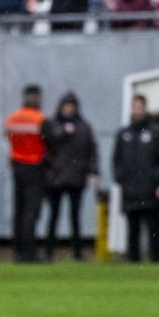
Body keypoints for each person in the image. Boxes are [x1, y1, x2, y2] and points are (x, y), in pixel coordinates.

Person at [41, 92, 99, 261]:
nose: (68, 109)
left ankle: (77, 253)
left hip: (76, 178)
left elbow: (91, 150)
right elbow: (47, 143)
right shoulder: (52, 124)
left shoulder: (84, 127)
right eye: (66, 106)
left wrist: (93, 171)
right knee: (54, 216)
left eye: (71, 106)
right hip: (56, 179)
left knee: (75, 217)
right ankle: (49, 252)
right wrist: (63, 133)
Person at [112, 93, 159, 262]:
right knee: (132, 230)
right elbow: (116, 160)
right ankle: (134, 261)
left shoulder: (155, 132)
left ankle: (155, 260)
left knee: (153, 229)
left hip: (150, 190)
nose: (137, 110)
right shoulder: (123, 134)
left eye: (140, 106)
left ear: (145, 108)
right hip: (130, 190)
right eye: (134, 106)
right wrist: (120, 178)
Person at [6, 85, 48, 262]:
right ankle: (29, 252)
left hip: (17, 165)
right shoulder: (40, 119)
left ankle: (18, 251)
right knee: (31, 212)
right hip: (35, 166)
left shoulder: (13, 118)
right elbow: (48, 141)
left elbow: (8, 137)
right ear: (37, 98)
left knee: (19, 210)